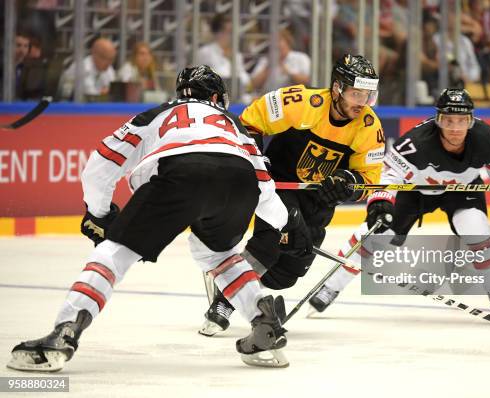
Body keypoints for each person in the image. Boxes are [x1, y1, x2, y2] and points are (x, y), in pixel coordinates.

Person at [7, 65, 296, 371]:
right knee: (217, 253)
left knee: (114, 251)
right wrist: (283, 224)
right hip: (241, 183)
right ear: (216, 96)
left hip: (183, 173)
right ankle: (264, 320)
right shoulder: (234, 124)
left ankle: (64, 331)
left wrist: (100, 213)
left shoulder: (156, 114)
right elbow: (264, 184)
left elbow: (101, 164)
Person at [200, 54, 386, 336]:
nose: (362, 102)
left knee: (288, 272)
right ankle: (224, 302)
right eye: (356, 93)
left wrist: (348, 183)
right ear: (337, 88)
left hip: (317, 201)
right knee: (271, 240)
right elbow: (248, 123)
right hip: (280, 186)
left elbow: (369, 181)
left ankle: (237, 281)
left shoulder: (370, 128)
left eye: (368, 95)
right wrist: (258, 163)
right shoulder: (300, 102)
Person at [308, 88, 490, 317]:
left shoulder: (488, 138)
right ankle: (330, 287)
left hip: (462, 190)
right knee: (373, 233)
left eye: (462, 121)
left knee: (476, 228)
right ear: (437, 120)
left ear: (471, 120)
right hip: (413, 190)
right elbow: (388, 176)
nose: (455, 128)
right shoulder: (415, 143)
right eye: (448, 120)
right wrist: (380, 203)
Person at [196, 13, 251, 103]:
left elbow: (246, 80)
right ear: (218, 33)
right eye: (228, 32)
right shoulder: (206, 52)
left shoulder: (237, 55)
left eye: (232, 32)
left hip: (236, 100)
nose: (231, 36)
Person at [250, 29, 311, 94]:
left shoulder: (301, 58)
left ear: (287, 42)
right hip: (269, 98)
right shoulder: (265, 60)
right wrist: (267, 68)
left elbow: (308, 81)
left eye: (279, 40)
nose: (276, 44)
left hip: (294, 98)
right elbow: (252, 85)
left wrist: (289, 73)